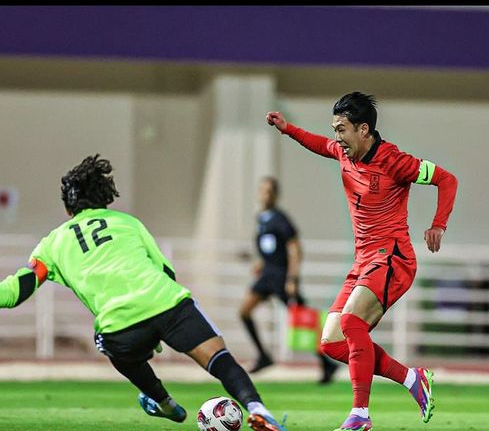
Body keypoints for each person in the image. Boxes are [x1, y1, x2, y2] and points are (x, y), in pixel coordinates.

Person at [0, 154, 289, 431]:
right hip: (166, 303)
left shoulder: (52, 243)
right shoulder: (128, 223)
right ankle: (258, 409)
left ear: (67, 209)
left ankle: (162, 401)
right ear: (106, 198)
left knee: (111, 344)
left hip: (120, 326)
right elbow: (166, 272)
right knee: (219, 357)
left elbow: (16, 291)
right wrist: (161, 326)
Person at [266, 92, 458, 431]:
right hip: (364, 262)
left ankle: (360, 415)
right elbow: (319, 144)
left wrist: (438, 224)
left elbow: (447, 179)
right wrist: (287, 129)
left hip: (393, 258)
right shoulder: (344, 153)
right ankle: (412, 379)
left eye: (342, 130)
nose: (337, 139)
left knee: (352, 323)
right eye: (335, 130)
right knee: (331, 343)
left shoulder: (395, 161)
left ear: (364, 129)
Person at [240, 176, 338, 383]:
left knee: (303, 320)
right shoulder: (261, 218)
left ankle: (327, 362)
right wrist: (261, 262)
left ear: (275, 194)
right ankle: (264, 355)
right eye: (262, 190)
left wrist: (292, 278)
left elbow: (295, 249)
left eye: (268, 191)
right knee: (244, 311)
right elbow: (271, 247)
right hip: (268, 274)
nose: (264, 194)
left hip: (281, 276)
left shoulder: (279, 218)